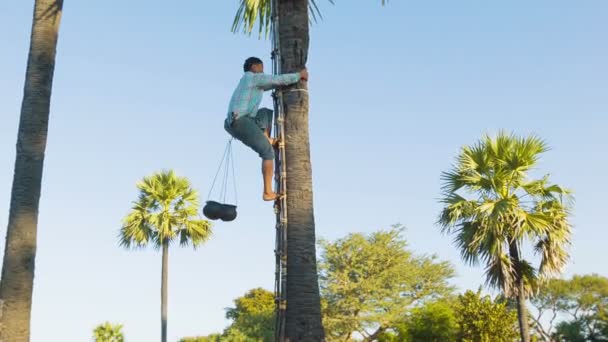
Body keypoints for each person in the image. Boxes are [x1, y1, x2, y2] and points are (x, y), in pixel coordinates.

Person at [225, 57, 309, 201]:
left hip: (239, 120)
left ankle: (267, 139)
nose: (262, 72)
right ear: (253, 67)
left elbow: (270, 84)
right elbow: (276, 80)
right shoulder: (252, 77)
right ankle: (268, 192)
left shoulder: (249, 81)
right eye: (261, 68)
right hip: (240, 121)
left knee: (265, 113)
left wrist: (281, 85)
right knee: (267, 152)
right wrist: (298, 75)